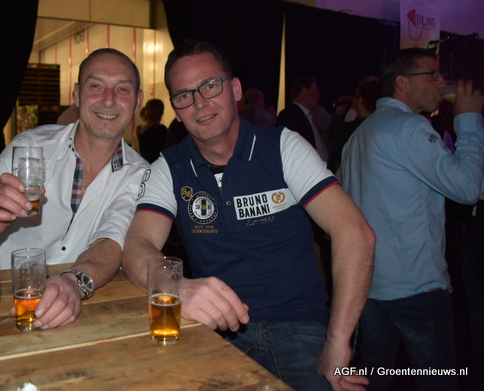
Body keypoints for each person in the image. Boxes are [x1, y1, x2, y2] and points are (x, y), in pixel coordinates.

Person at [121, 40, 375, 390]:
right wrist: (178, 288)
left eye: (210, 86)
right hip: (216, 329)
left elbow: (355, 233)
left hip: (298, 326)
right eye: (184, 95)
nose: (199, 103)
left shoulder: (282, 147)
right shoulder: (170, 167)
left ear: (236, 89)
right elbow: (137, 244)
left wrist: (338, 339)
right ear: (176, 110)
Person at [0, 48, 149, 330]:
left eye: (123, 89)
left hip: (82, 309)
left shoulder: (141, 175)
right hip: (0, 305)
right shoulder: (29, 148)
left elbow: (111, 242)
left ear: (137, 101)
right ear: (77, 95)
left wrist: (73, 282)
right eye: (96, 86)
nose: (109, 100)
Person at [339, 47, 484, 391]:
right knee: (437, 381)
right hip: (416, 285)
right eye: (432, 74)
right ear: (402, 83)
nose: (442, 82)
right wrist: (468, 121)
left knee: (375, 377)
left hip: (370, 282)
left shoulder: (359, 135)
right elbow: (467, 188)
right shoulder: (410, 127)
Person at [327, 78, 381, 173]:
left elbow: (333, 158)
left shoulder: (348, 130)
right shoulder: (383, 126)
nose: (352, 99)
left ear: (361, 100)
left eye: (355, 96)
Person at [276, 76, 330, 162]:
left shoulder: (306, 116)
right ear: (304, 90)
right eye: (315, 90)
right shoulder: (290, 115)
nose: (318, 95)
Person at [137, 98, 167, 163]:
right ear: (161, 112)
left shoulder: (139, 129)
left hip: (144, 163)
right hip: (157, 164)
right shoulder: (161, 129)